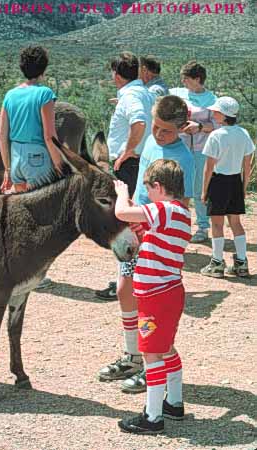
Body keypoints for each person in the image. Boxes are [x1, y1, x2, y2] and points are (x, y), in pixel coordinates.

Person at [98, 96, 194, 395]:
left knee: (148, 301)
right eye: (156, 126)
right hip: (137, 224)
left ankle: (154, 363)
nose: (158, 134)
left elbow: (181, 204)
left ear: (182, 128)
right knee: (125, 290)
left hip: (152, 232)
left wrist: (153, 230)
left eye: (166, 130)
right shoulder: (152, 143)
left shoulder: (184, 158)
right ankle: (135, 356)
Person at [113, 159, 191, 434]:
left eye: (148, 189)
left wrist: (122, 193)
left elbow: (122, 212)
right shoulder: (179, 212)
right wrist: (141, 229)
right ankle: (175, 402)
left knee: (151, 354)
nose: (147, 194)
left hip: (154, 298)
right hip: (168, 293)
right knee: (166, 347)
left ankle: (153, 417)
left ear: (158, 187)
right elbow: (153, 237)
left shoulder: (164, 209)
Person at [95, 52, 153, 301]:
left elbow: (138, 122)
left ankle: (126, 281)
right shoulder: (143, 92)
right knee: (136, 222)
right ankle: (138, 276)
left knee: (124, 224)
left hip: (128, 165)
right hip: (141, 162)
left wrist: (125, 153)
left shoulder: (130, 96)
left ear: (116, 75)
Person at [200, 97, 255, 278]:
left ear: (223, 115)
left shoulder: (216, 135)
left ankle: (216, 263)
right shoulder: (243, 133)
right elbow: (247, 165)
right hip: (235, 182)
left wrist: (204, 191)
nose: (213, 114)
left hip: (218, 182)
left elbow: (208, 168)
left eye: (216, 112)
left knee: (217, 223)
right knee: (236, 223)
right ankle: (241, 262)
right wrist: (244, 186)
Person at [0, 45, 63, 194]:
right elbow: (49, 137)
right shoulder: (44, 93)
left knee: (24, 210)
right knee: (42, 211)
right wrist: (60, 165)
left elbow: (1, 135)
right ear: (43, 69)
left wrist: (7, 169)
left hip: (16, 159)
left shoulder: (10, 95)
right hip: (37, 158)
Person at [170, 61, 217, 243]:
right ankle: (178, 225)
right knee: (178, 187)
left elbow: (217, 125)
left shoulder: (212, 100)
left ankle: (203, 227)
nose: (183, 82)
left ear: (198, 79)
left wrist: (199, 127)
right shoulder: (178, 93)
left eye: (186, 78)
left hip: (200, 149)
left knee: (198, 188)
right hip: (179, 148)